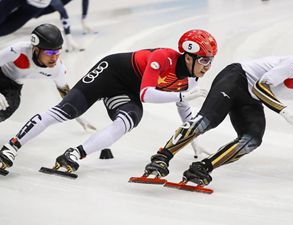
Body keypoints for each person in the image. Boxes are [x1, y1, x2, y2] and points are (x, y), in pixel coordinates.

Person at [0, 29, 218, 173]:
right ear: (189, 56)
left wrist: (192, 135)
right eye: (205, 60)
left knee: (128, 121)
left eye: (211, 61)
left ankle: (74, 154)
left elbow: (183, 107)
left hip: (127, 90)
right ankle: (11, 147)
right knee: (67, 110)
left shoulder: (191, 81)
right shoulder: (164, 57)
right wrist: (181, 96)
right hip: (109, 73)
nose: (208, 66)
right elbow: (146, 95)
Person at [142, 43, 293, 186]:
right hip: (237, 79)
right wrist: (283, 109)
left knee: (252, 140)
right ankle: (161, 158)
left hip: (251, 99)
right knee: (207, 121)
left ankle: (202, 168)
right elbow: (261, 87)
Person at [0, 23, 94, 132]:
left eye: (58, 51)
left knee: (10, 105)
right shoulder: (18, 51)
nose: (54, 57)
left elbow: (65, 93)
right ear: (36, 50)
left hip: (12, 85)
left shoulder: (58, 69)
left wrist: (78, 116)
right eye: (49, 52)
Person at [0, 0, 92, 52]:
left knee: (3, 30)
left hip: (35, 7)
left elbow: (62, 12)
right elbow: (63, 12)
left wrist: (69, 37)